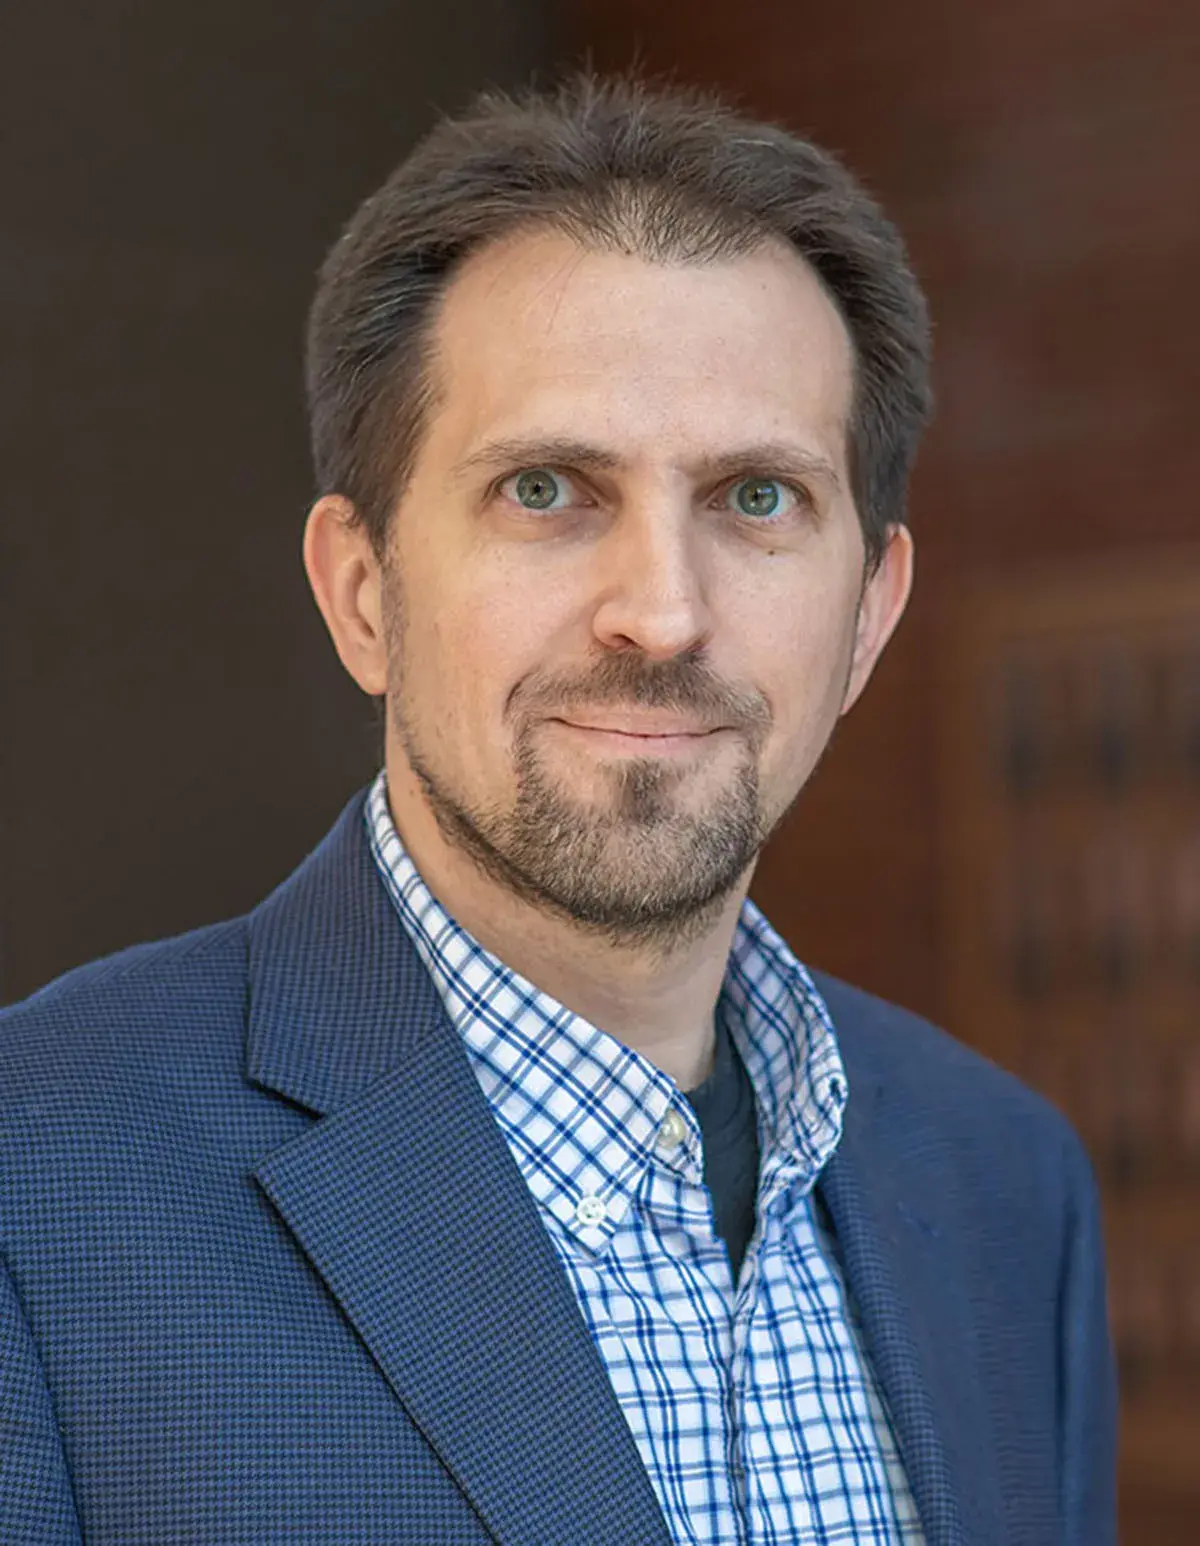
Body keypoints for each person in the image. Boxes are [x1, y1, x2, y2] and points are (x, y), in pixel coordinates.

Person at [0, 74, 1115, 1546]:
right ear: (363, 593)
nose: (662, 611)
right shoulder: (40, 1181)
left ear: (868, 615)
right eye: (545, 488)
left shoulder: (1006, 1188)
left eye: (757, 498)